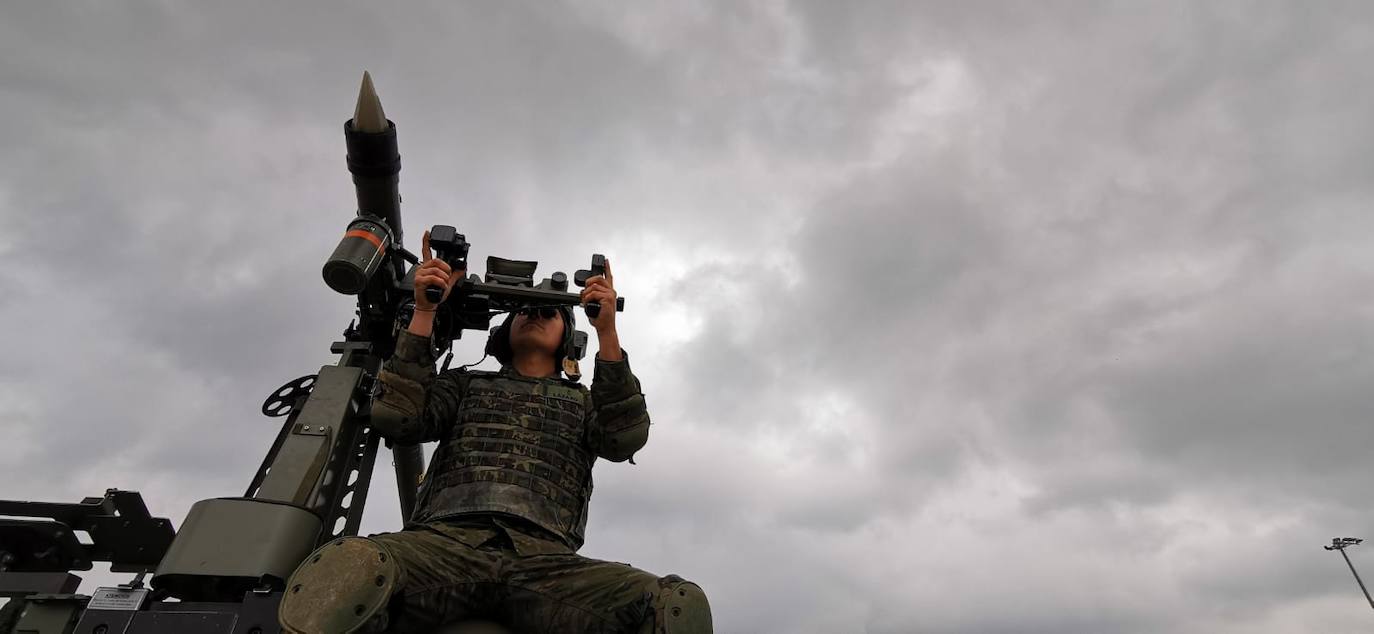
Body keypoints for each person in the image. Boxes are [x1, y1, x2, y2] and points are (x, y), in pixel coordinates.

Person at [279, 231, 712, 633]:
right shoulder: (467, 386)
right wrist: (426, 310)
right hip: (442, 548)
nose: (534, 316)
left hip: (546, 565)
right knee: (349, 568)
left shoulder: (583, 402)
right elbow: (398, 418)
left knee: (672, 603)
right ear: (504, 331)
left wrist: (607, 331)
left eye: (548, 311)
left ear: (568, 338)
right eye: (524, 310)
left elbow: (625, 438)